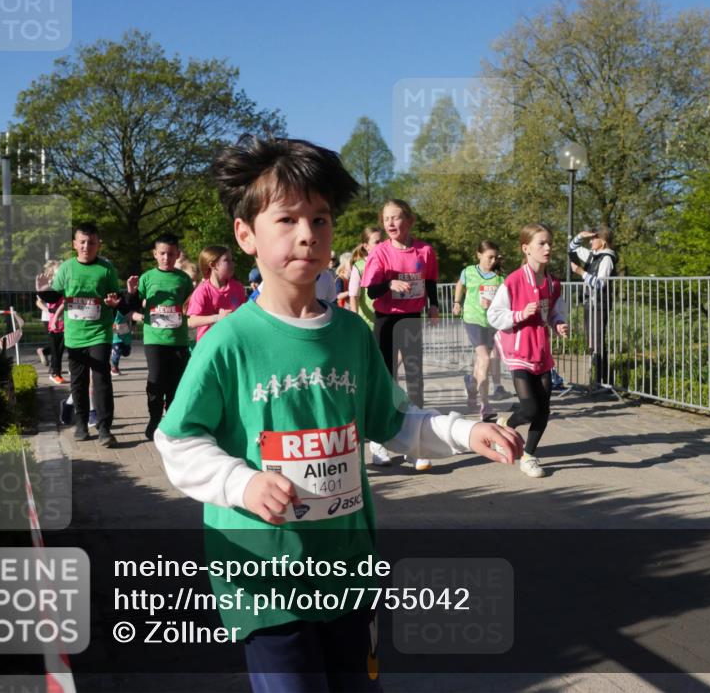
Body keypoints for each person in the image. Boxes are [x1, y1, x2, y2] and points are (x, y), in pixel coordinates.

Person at [154, 135, 522, 692]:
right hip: (265, 576)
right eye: (287, 220)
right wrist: (241, 482)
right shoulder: (228, 342)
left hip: (346, 569)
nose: (308, 234)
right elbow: (177, 442)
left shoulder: (351, 334)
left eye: (321, 219)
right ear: (246, 235)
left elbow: (393, 422)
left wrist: (464, 430)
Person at [40, 223, 138, 446]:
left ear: (98, 245)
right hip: (75, 335)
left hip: (99, 334)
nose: (87, 246)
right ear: (75, 244)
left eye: (91, 242)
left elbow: (117, 301)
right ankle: (81, 423)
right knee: (78, 381)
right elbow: (54, 298)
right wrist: (43, 291)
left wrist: (116, 302)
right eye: (82, 242)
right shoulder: (66, 268)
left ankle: (104, 428)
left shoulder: (106, 269)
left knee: (102, 380)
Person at [362, 198, 440, 472]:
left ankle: (415, 444)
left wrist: (434, 305)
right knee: (385, 380)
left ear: (409, 220)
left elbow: (430, 281)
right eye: (386, 219)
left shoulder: (425, 251)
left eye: (396, 218)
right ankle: (379, 441)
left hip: (411, 318)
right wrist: (389, 283)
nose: (390, 223)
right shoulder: (380, 253)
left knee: (415, 379)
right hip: (386, 318)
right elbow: (371, 291)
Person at [488, 224, 569, 479]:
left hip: (541, 350)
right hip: (518, 351)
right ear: (526, 248)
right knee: (530, 408)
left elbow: (554, 312)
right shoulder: (513, 281)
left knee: (544, 409)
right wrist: (520, 314)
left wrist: (559, 324)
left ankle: (529, 456)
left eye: (549, 243)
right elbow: (494, 315)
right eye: (541, 243)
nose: (548, 248)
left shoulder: (553, 283)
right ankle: (507, 425)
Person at [132, 234, 194, 441]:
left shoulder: (183, 279)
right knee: (156, 380)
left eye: (171, 254)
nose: (166, 258)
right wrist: (136, 310)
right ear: (155, 254)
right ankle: (154, 418)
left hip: (178, 340)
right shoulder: (147, 278)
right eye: (162, 254)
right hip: (154, 339)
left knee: (176, 383)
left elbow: (189, 306)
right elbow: (134, 302)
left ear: (177, 255)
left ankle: (172, 420)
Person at [348, 226, 396, 466]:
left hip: (387, 326)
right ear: (366, 245)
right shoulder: (359, 267)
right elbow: (354, 296)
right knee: (369, 388)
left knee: (388, 384)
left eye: (382, 240)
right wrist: (356, 322)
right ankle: (375, 446)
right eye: (376, 241)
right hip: (366, 329)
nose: (381, 244)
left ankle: (392, 440)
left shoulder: (388, 263)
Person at [453, 240, 505, 422]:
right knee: (484, 358)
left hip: (491, 322)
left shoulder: (500, 277)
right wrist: (457, 302)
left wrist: (494, 304)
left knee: (484, 362)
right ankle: (486, 406)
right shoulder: (469, 272)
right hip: (473, 319)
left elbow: (503, 300)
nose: (492, 261)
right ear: (479, 255)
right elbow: (460, 284)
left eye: (495, 257)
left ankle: (471, 384)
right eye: (489, 257)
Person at [569, 226, 617, 386]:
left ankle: (603, 381)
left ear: (602, 242)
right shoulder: (593, 255)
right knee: (591, 342)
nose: (590, 241)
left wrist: (581, 272)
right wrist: (579, 236)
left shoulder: (607, 259)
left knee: (597, 342)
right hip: (589, 302)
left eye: (593, 238)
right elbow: (571, 248)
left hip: (600, 304)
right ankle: (595, 381)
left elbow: (600, 283)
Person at [187, 246, 248, 342]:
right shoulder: (202, 291)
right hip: (209, 345)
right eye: (227, 260)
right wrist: (218, 318)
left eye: (232, 260)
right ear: (213, 265)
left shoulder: (238, 287)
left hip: (233, 342)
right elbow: (191, 321)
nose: (233, 264)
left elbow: (243, 313)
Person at [35, 260, 66, 384]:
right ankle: (55, 373)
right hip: (53, 322)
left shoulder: (64, 286)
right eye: (58, 273)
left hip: (65, 322)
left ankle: (56, 371)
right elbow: (43, 301)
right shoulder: (50, 287)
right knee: (56, 350)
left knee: (61, 349)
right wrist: (50, 310)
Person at [109, 309, 137, 377]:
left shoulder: (127, 307)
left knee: (126, 353)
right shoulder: (112, 310)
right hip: (115, 336)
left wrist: (133, 326)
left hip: (126, 335)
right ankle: (114, 368)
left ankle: (114, 353)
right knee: (116, 353)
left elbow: (133, 316)